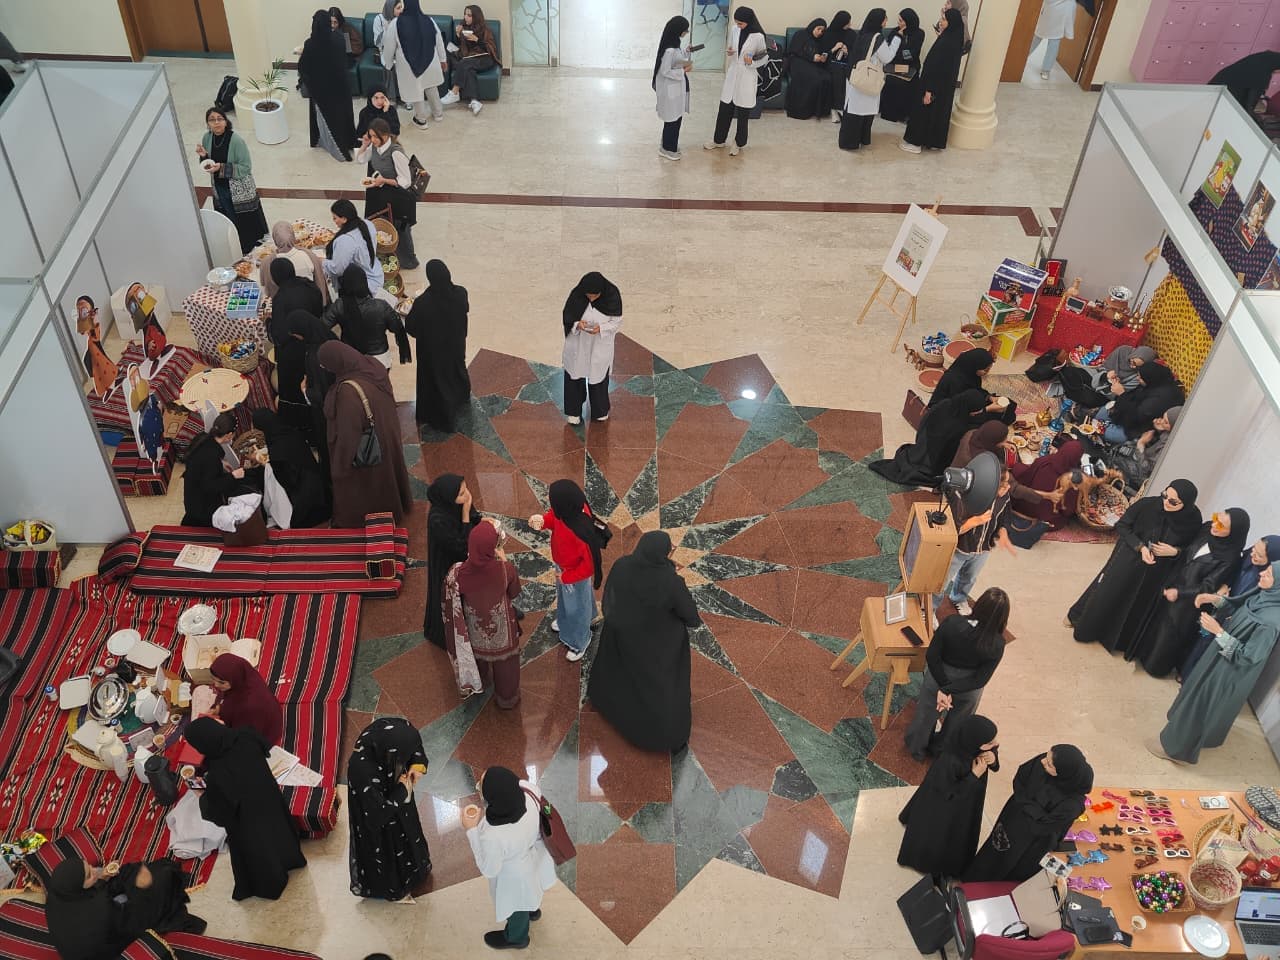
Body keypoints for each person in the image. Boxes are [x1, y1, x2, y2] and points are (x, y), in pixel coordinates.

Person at [1153, 562, 1280, 763]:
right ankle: (1199, 737)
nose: (1262, 573)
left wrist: (1219, 632)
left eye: (1270, 574)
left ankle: (1176, 750)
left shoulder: (1271, 623)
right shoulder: (1264, 594)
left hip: (1229, 671)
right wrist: (1216, 600)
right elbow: (1238, 604)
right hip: (1219, 655)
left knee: (1202, 704)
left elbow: (1247, 657)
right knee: (1198, 692)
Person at [588, 531, 701, 753]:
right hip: (654, 645)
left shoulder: (622, 565)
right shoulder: (671, 582)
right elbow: (691, 617)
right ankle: (659, 735)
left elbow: (611, 597)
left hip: (621, 635)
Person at [1067, 479, 1202, 653]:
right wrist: (1140, 547)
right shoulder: (1147, 505)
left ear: (1186, 504)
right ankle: (1083, 623)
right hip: (1130, 558)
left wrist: (1174, 551)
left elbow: (1190, 549)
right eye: (1165, 495)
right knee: (1109, 591)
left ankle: (1117, 640)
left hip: (1157, 571)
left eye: (1173, 502)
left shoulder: (1193, 520)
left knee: (1135, 602)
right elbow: (1122, 526)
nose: (1166, 502)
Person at [183, 717, 307, 901]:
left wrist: (202, 794)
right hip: (269, 799)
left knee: (261, 850)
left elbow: (220, 813)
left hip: (248, 820)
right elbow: (263, 751)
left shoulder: (218, 773)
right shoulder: (245, 735)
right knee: (279, 833)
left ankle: (271, 883)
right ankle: (291, 859)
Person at [1132, 508, 1250, 678]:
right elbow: (1189, 551)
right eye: (1216, 518)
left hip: (1188, 601)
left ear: (1233, 533)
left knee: (1168, 636)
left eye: (1221, 525)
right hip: (1172, 582)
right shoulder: (1207, 529)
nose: (1215, 525)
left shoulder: (1230, 558)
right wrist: (1175, 552)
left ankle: (1154, 667)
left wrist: (1180, 593)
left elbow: (1208, 586)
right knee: (1154, 622)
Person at [318, 341, 414, 527]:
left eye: (325, 365)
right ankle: (395, 509)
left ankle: (377, 522)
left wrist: (340, 466)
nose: (325, 369)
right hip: (386, 434)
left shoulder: (347, 392)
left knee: (370, 487)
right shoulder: (372, 365)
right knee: (388, 476)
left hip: (369, 450)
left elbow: (348, 437)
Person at [903, 588, 1008, 760]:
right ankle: (942, 751)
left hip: (939, 676)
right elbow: (981, 679)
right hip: (969, 687)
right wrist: (950, 690)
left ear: (979, 605)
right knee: (958, 723)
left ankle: (917, 748)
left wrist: (944, 688)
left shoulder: (952, 623)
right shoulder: (997, 643)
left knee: (925, 716)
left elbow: (932, 655)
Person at [460, 767, 557, 950]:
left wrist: (471, 830)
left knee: (516, 905)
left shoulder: (493, 835)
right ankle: (533, 910)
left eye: (481, 786)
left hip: (515, 875)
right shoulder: (530, 792)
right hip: (536, 853)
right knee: (533, 888)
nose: (479, 787)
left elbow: (489, 869)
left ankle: (516, 937)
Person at [965, 746, 1091, 882]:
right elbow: (1021, 778)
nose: (1042, 761)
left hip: (1033, 839)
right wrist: (1033, 809)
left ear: (1062, 773)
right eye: (1046, 756)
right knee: (994, 851)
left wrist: (1025, 803)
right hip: (1013, 817)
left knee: (1013, 864)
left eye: (1049, 764)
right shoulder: (1048, 759)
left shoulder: (1072, 804)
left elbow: (1045, 825)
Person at [46, 855, 205, 960]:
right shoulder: (101, 910)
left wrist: (101, 878)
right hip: (107, 952)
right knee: (161, 877)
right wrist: (143, 889)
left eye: (88, 866)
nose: (94, 870)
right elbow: (136, 921)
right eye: (89, 875)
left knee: (127, 876)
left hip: (81, 944)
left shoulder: (55, 897)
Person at [898, 715, 999, 878]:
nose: (995, 745)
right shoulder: (949, 761)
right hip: (946, 809)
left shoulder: (975, 745)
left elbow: (993, 755)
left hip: (968, 802)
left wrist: (993, 759)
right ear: (974, 741)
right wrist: (973, 776)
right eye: (990, 743)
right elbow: (948, 794)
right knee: (944, 836)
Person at [347, 716, 432, 899]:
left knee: (408, 835)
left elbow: (415, 746)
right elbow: (376, 818)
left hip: (399, 803)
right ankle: (394, 885)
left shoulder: (396, 733)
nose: (404, 760)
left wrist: (417, 765)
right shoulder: (361, 771)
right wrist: (402, 791)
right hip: (382, 823)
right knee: (390, 851)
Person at [443, 522, 524, 706]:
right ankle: (507, 699)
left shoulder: (457, 572)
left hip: (474, 629)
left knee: (477, 658)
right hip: (502, 630)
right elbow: (513, 592)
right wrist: (504, 560)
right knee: (506, 666)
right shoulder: (506, 570)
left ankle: (482, 681)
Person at [1183, 536, 1280, 677]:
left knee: (1212, 651)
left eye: (1259, 555)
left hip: (1233, 625)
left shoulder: (1267, 585)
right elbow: (1232, 571)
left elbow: (1245, 656)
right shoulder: (1248, 558)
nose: (1253, 554)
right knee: (1202, 640)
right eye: (1254, 548)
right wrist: (1223, 587)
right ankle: (1186, 673)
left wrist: (1228, 622)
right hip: (1223, 607)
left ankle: (1190, 677)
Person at [529, 480, 604, 662]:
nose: (548, 500)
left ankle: (580, 641)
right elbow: (555, 517)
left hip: (573, 574)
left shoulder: (580, 532)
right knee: (571, 600)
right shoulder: (568, 509)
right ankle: (578, 619)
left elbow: (588, 567)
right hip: (563, 568)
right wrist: (543, 521)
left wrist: (567, 577)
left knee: (576, 606)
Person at [869, 388, 989, 487]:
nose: (978, 413)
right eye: (977, 411)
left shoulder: (946, 404)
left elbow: (925, 422)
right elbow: (949, 452)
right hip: (933, 461)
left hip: (923, 444)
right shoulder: (959, 426)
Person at [937, 465, 1016, 614]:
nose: (1008, 487)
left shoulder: (1004, 497)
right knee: (942, 580)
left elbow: (1005, 518)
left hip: (983, 548)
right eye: (1004, 484)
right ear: (992, 486)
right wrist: (974, 521)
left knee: (969, 578)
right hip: (960, 548)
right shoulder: (963, 497)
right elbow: (951, 530)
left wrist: (1003, 532)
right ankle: (931, 608)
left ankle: (958, 599)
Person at [405, 259, 472, 432]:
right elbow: (465, 309)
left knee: (435, 380)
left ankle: (440, 415)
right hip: (456, 345)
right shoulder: (460, 293)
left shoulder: (423, 303)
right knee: (456, 370)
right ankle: (461, 398)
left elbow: (411, 328)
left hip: (432, 352)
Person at [196, 107, 269, 254]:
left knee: (244, 218)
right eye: (212, 120)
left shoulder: (236, 140)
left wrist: (222, 168)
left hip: (238, 187)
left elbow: (246, 167)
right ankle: (235, 243)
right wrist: (203, 156)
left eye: (219, 119)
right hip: (219, 186)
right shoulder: (207, 138)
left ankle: (248, 246)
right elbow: (208, 162)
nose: (216, 122)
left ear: (226, 121)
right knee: (228, 216)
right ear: (208, 123)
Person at [425, 474, 483, 650]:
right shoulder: (437, 520)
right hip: (448, 565)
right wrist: (465, 514)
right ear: (449, 498)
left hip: (463, 557)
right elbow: (461, 548)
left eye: (466, 489)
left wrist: (479, 520)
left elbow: (474, 517)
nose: (467, 496)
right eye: (461, 494)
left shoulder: (457, 502)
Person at [561, 272, 623, 425]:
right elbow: (568, 316)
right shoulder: (577, 295)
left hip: (600, 345)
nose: (591, 299)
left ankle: (600, 410)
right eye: (588, 296)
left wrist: (601, 328)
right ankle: (573, 411)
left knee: (599, 377)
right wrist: (577, 324)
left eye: (595, 296)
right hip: (578, 344)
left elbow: (616, 322)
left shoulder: (612, 297)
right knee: (574, 376)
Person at [251, 408, 331, 528]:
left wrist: (265, 465)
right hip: (318, 488)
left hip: (304, 498)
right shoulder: (290, 432)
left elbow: (287, 479)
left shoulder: (277, 449)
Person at [900, 8, 964, 154]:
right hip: (942, 87)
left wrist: (929, 90)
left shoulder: (945, 42)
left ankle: (915, 143)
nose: (940, 22)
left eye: (944, 19)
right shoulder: (954, 39)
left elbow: (937, 68)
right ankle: (933, 141)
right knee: (936, 111)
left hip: (932, 84)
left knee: (923, 112)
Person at [356, 118, 418, 270]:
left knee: (399, 227)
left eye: (375, 136)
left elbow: (406, 181)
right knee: (380, 222)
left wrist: (384, 180)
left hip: (398, 195)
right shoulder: (374, 147)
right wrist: (365, 144)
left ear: (385, 135)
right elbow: (361, 159)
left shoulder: (395, 152)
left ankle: (407, 260)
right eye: (370, 136)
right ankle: (384, 252)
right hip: (381, 191)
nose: (373, 139)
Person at [704, 7, 767, 156]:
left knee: (743, 113)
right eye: (737, 23)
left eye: (741, 23)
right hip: (733, 73)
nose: (738, 26)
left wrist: (751, 62)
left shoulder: (758, 37)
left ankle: (738, 143)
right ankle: (719, 140)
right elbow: (733, 47)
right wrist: (731, 51)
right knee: (724, 109)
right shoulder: (735, 29)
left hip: (747, 75)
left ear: (749, 21)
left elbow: (764, 57)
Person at [323, 265, 411, 370]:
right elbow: (396, 327)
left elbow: (322, 326)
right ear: (365, 283)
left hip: (350, 358)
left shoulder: (340, 305)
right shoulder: (381, 305)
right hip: (380, 360)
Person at [275, 309, 337, 454]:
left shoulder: (316, 356)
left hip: (327, 411)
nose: (295, 336)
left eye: (295, 333)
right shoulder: (327, 335)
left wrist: (305, 389)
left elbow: (320, 394)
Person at [299, 10, 357, 162]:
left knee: (328, 119)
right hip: (342, 86)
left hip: (322, 91)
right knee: (343, 116)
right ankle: (349, 142)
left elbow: (303, 68)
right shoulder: (339, 37)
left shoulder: (311, 44)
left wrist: (310, 83)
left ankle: (334, 147)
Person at [839, 9, 898, 151]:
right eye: (885, 18)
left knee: (853, 110)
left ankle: (850, 141)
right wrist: (897, 39)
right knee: (864, 111)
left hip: (856, 77)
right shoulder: (877, 38)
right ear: (880, 21)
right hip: (868, 79)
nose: (886, 21)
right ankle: (861, 139)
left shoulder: (862, 33)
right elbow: (887, 58)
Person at [382, 0, 446, 129]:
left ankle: (421, 120)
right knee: (431, 86)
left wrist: (387, 64)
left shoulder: (396, 23)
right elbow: (438, 40)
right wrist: (442, 59)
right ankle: (438, 113)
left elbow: (389, 46)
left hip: (409, 65)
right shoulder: (429, 20)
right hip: (430, 60)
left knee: (416, 90)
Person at [181, 413, 247, 526]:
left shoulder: (203, 438)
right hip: (201, 505)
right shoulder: (212, 456)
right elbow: (211, 486)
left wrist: (220, 463)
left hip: (191, 494)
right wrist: (233, 476)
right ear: (229, 435)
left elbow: (199, 461)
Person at [1094, 363, 1183, 445]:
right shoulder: (1156, 383)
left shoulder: (1159, 399)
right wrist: (1119, 388)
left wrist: (1122, 394)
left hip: (1140, 428)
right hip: (1128, 413)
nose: (1137, 378)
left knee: (1098, 430)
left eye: (1140, 377)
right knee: (1098, 418)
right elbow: (1135, 397)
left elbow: (1134, 417)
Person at [207, 652, 285, 745]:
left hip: (258, 734)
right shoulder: (243, 678)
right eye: (213, 679)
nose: (216, 685)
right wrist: (217, 708)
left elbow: (245, 738)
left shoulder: (250, 706)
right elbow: (225, 696)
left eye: (221, 682)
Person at [1009, 438, 1082, 532]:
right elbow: (1068, 511)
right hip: (1043, 517)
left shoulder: (1045, 460)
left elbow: (1026, 476)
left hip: (1024, 503)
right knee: (1063, 518)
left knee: (1018, 468)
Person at [929, 348, 1017, 426]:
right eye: (985, 370)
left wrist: (990, 398)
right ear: (974, 366)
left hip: (970, 403)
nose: (987, 372)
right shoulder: (954, 382)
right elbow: (959, 411)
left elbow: (976, 389)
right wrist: (987, 409)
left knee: (1009, 404)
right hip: (951, 416)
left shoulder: (969, 373)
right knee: (994, 419)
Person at [1055, 344, 1155, 410]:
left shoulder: (1139, 375)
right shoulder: (1123, 351)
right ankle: (1074, 398)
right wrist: (1105, 376)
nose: (1133, 367)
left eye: (1137, 366)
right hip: (1097, 375)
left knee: (1090, 399)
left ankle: (1074, 400)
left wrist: (1114, 382)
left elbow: (1118, 393)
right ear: (1134, 354)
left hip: (1107, 393)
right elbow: (1104, 367)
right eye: (1133, 362)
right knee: (1069, 372)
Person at [322, 199, 388, 298]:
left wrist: (323, 262)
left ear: (344, 219)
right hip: (376, 273)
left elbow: (337, 269)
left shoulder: (345, 240)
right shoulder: (367, 224)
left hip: (362, 285)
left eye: (335, 218)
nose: (334, 221)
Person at [442, 5, 500, 116]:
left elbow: (491, 48)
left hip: (485, 58)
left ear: (476, 17)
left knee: (464, 63)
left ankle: (455, 92)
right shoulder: (464, 27)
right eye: (465, 14)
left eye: (469, 15)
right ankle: (475, 101)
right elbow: (464, 49)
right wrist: (459, 35)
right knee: (467, 67)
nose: (466, 17)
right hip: (470, 59)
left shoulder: (485, 29)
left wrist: (477, 39)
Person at [654, 15, 693, 160]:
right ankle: (667, 149)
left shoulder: (674, 44)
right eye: (685, 30)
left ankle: (670, 145)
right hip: (671, 90)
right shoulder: (669, 50)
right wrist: (683, 71)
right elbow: (665, 71)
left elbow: (676, 59)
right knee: (672, 120)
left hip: (675, 89)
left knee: (676, 118)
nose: (686, 32)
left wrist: (686, 52)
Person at [261, 222, 328, 305]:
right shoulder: (308, 255)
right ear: (293, 237)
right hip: (310, 302)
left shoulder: (266, 262)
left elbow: (266, 289)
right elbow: (320, 280)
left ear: (274, 240)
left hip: (284, 306)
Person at [879, 9, 924, 123]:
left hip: (911, 66)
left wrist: (901, 41)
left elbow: (911, 55)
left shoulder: (919, 34)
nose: (898, 23)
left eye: (901, 20)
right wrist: (901, 46)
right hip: (894, 65)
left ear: (909, 21)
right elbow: (890, 52)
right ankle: (889, 114)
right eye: (898, 20)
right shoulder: (895, 31)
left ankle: (904, 114)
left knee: (909, 83)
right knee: (892, 81)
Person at [266, 262, 325, 347]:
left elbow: (278, 336)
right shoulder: (309, 284)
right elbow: (320, 310)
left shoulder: (280, 299)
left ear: (275, 278)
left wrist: (267, 321)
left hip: (298, 345)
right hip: (318, 333)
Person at [785, 19, 830, 120]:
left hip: (812, 64)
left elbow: (821, 53)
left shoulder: (820, 40)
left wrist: (821, 58)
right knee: (813, 77)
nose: (820, 32)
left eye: (822, 31)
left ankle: (818, 110)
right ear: (813, 26)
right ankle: (802, 110)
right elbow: (794, 50)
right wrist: (812, 57)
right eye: (818, 29)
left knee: (826, 77)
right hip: (797, 61)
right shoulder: (800, 34)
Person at [1210, 51, 1280, 116]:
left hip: (1213, 89)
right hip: (1224, 97)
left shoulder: (1263, 58)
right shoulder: (1263, 74)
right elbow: (1249, 107)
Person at [76, 296, 116, 398]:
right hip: (92, 342)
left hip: (94, 342)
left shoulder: (93, 318)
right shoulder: (85, 319)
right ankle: (106, 382)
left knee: (95, 362)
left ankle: (109, 383)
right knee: (94, 363)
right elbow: (82, 331)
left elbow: (95, 332)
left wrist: (92, 320)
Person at [1027, 0, 1073, 79]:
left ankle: (1046, 70)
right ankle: (1022, 57)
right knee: (1037, 37)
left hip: (1060, 14)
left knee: (1054, 42)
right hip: (1048, 11)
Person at [373, 1, 405, 103]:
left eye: (401, 7)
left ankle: (404, 97)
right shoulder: (379, 19)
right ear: (391, 9)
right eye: (398, 8)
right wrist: (388, 29)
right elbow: (377, 42)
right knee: (389, 66)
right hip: (385, 50)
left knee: (403, 66)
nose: (401, 10)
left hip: (400, 50)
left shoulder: (402, 19)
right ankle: (392, 98)